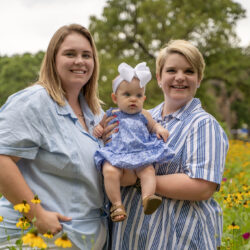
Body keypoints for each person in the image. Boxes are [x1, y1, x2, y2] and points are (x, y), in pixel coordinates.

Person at [109, 40, 229, 249]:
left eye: (189, 71)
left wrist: (138, 179)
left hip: (179, 238)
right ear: (158, 77)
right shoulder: (143, 118)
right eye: (171, 70)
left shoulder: (203, 124)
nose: (180, 77)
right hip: (133, 235)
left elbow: (202, 187)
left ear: (199, 79)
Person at [0, 24, 108, 249]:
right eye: (70, 54)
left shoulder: (97, 115)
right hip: (36, 239)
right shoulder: (34, 101)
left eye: (86, 55)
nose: (80, 61)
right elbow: (2, 160)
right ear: (53, 59)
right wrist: (36, 214)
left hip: (84, 239)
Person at [93, 62, 174, 222]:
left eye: (138, 96)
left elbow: (154, 126)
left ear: (144, 98)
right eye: (127, 94)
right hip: (117, 154)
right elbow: (101, 128)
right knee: (109, 171)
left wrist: (159, 129)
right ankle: (117, 205)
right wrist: (98, 130)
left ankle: (148, 198)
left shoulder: (144, 114)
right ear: (115, 98)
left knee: (148, 171)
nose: (133, 99)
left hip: (140, 152)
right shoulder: (111, 113)